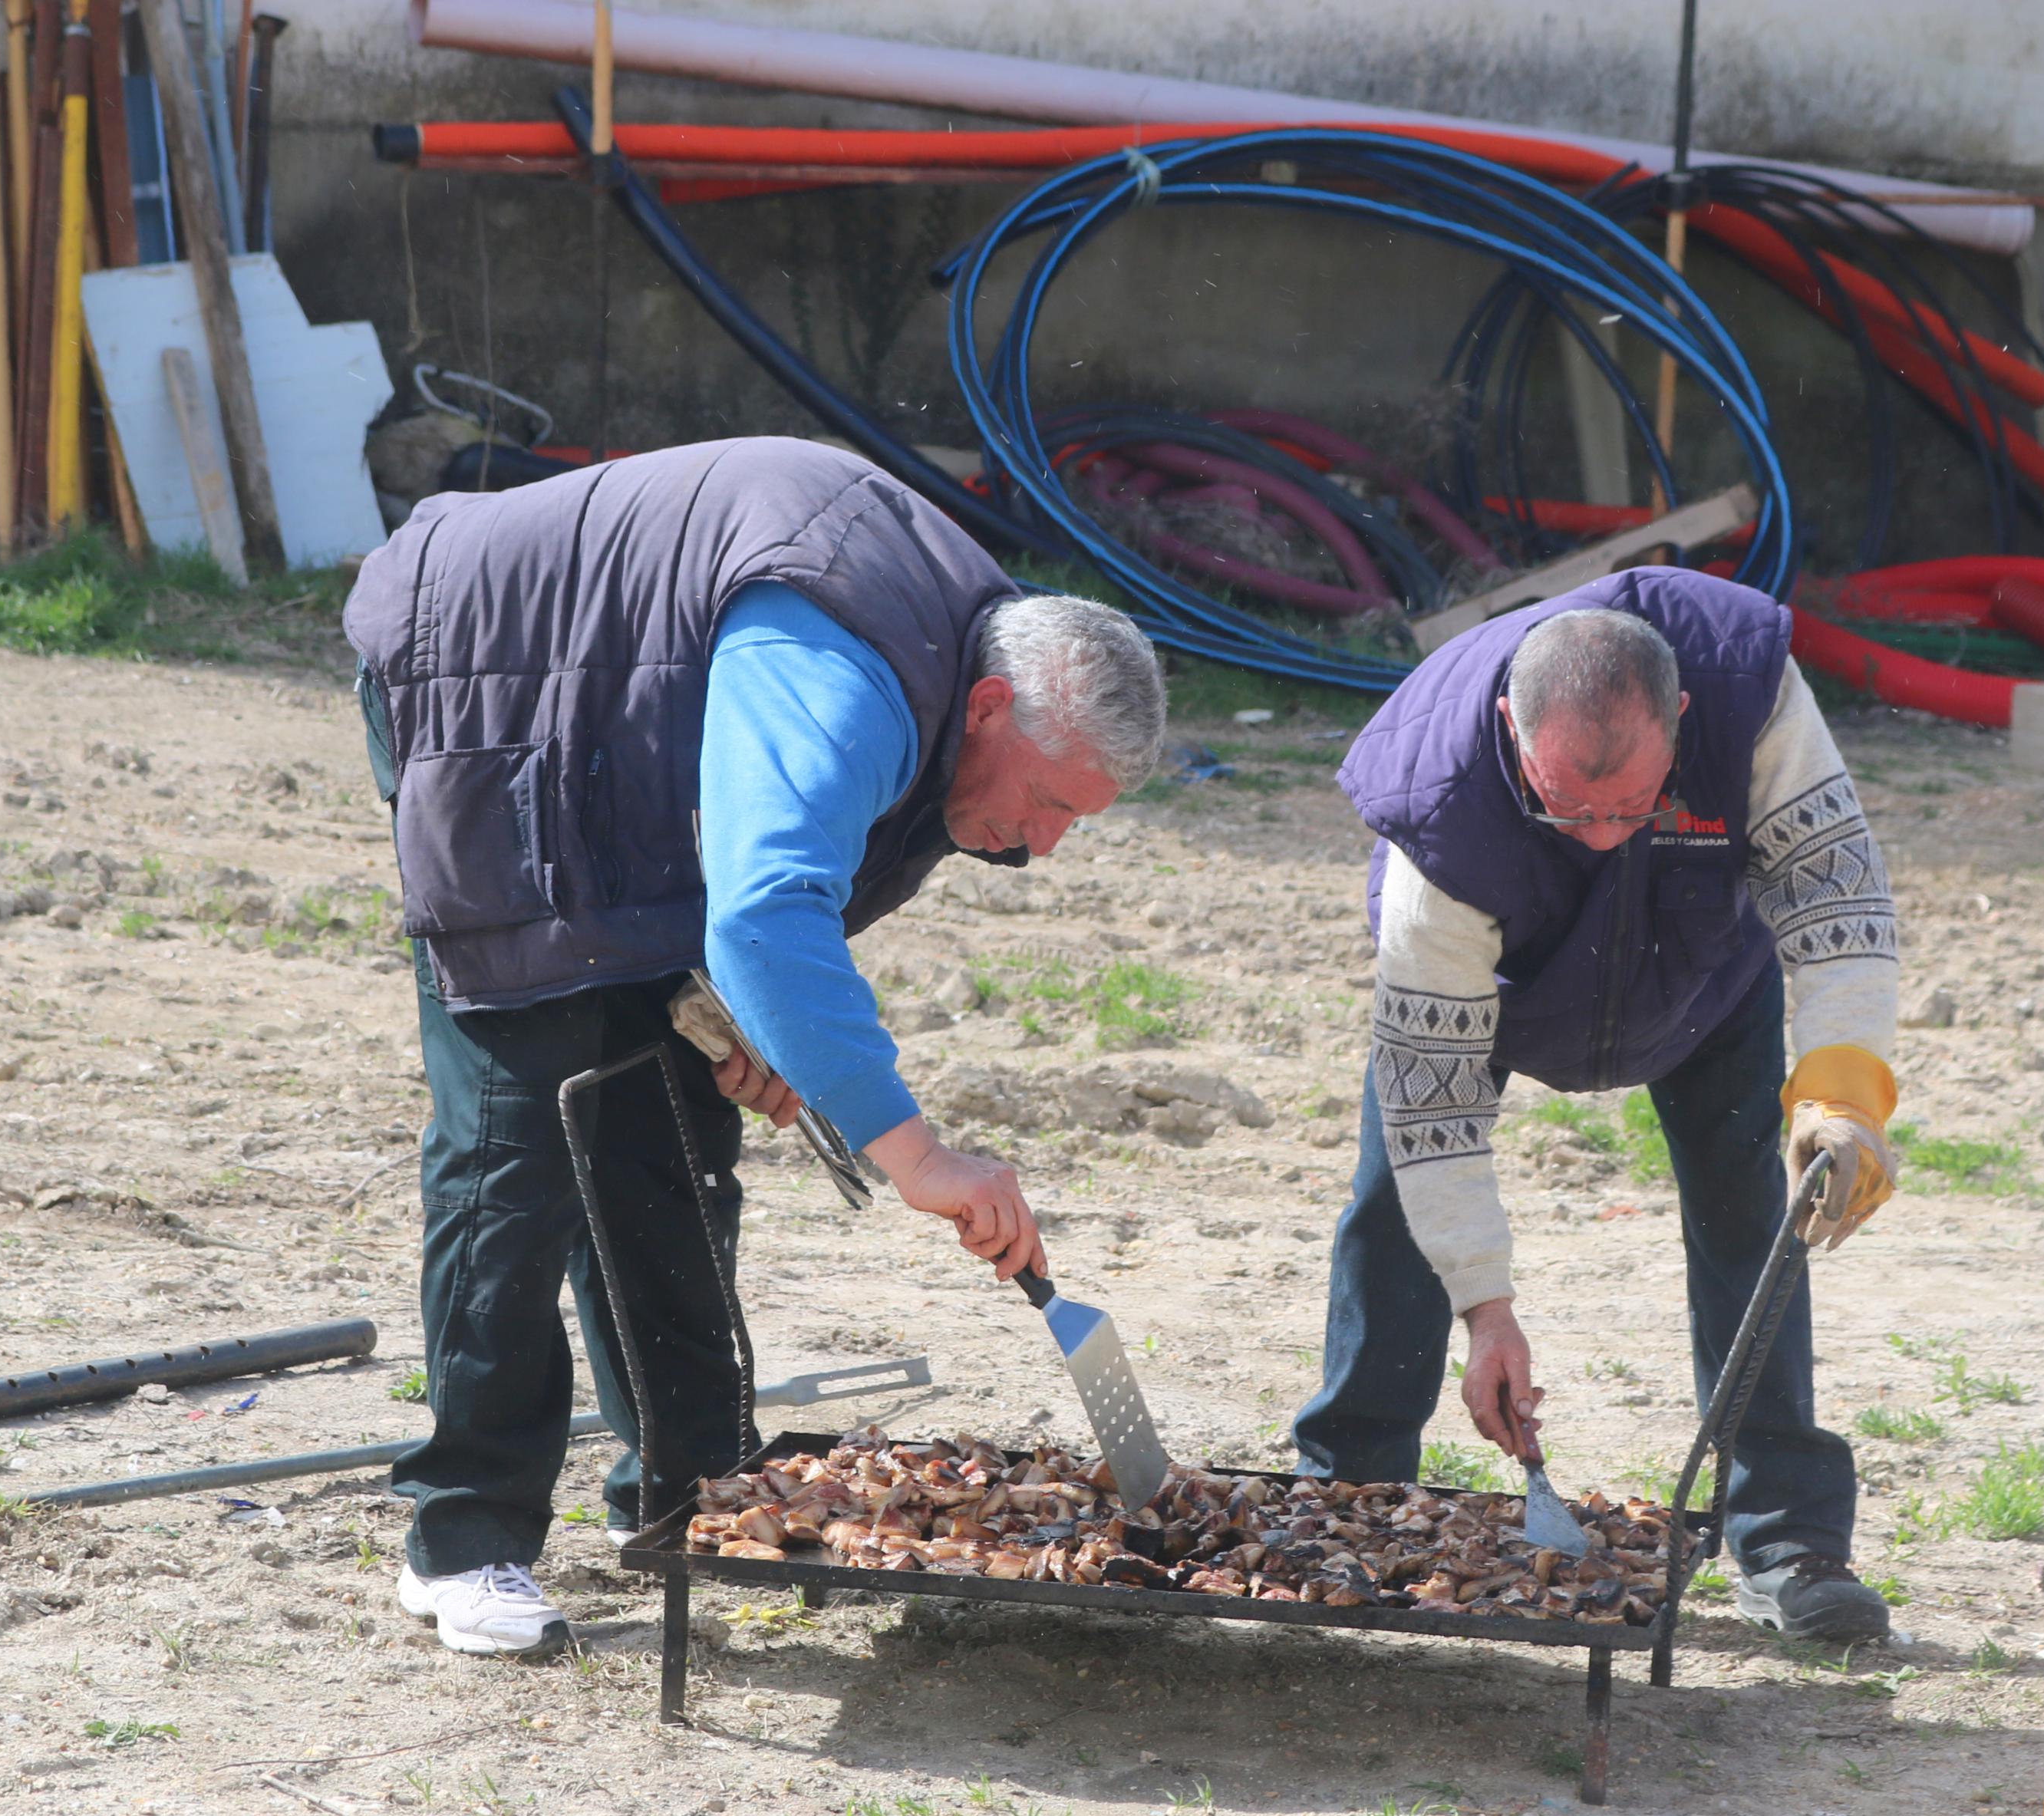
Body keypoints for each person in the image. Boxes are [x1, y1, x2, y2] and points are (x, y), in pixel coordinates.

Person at [342, 437, 1167, 1656]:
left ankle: (690, 1491)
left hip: (630, 754)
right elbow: (771, 911)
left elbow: (775, 914)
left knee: (670, 1115)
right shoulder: (851, 668)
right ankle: (464, 1539)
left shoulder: (969, 687)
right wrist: (917, 1155)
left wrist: (750, 1021)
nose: (1037, 846)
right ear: (990, 708)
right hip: (489, 690)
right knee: (521, 1133)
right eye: (1047, 806)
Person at [1291, 565, 1902, 1643]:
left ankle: (1788, 1541)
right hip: (1502, 991)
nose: (1608, 835)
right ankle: (1351, 1499)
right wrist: (1488, 1310)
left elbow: (1836, 892)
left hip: (1708, 973)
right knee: (1395, 1215)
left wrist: (1845, 1098)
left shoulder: (1754, 694)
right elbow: (1437, 1116)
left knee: (1751, 1217)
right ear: (1508, 731)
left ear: (1682, 718)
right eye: (1571, 807)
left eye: (1635, 807)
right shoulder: (1437, 811)